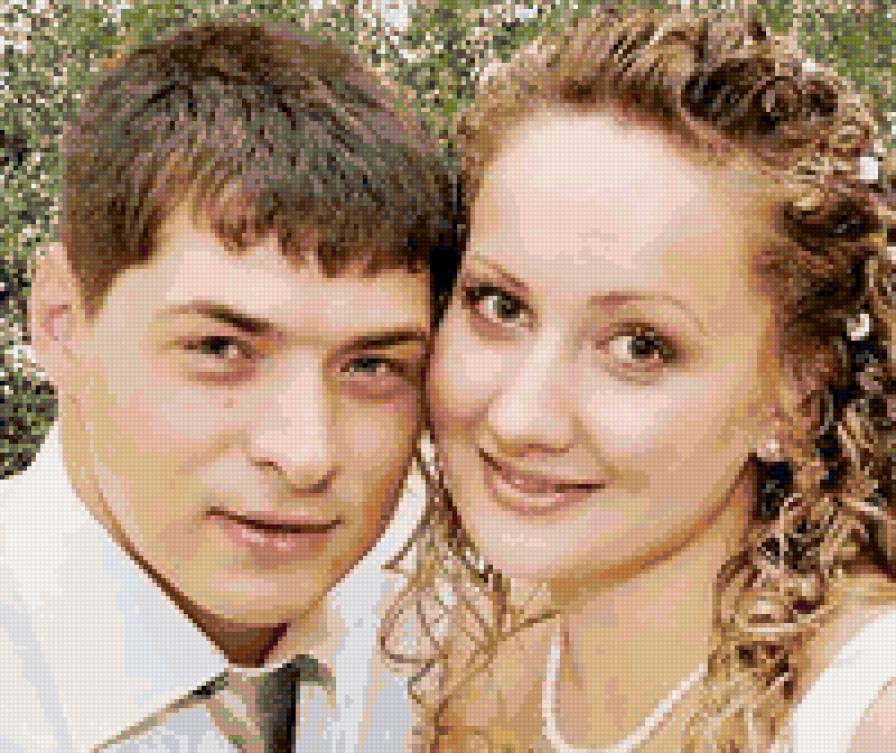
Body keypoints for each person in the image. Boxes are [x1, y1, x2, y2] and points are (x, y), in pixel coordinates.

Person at [381, 7, 896, 753]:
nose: (521, 417)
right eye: (500, 305)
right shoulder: (470, 652)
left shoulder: (865, 717)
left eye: (640, 346)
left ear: (796, 395)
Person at [0, 21, 456, 753]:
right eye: (220, 349)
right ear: (61, 325)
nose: (306, 454)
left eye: (371, 366)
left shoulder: (453, 632)